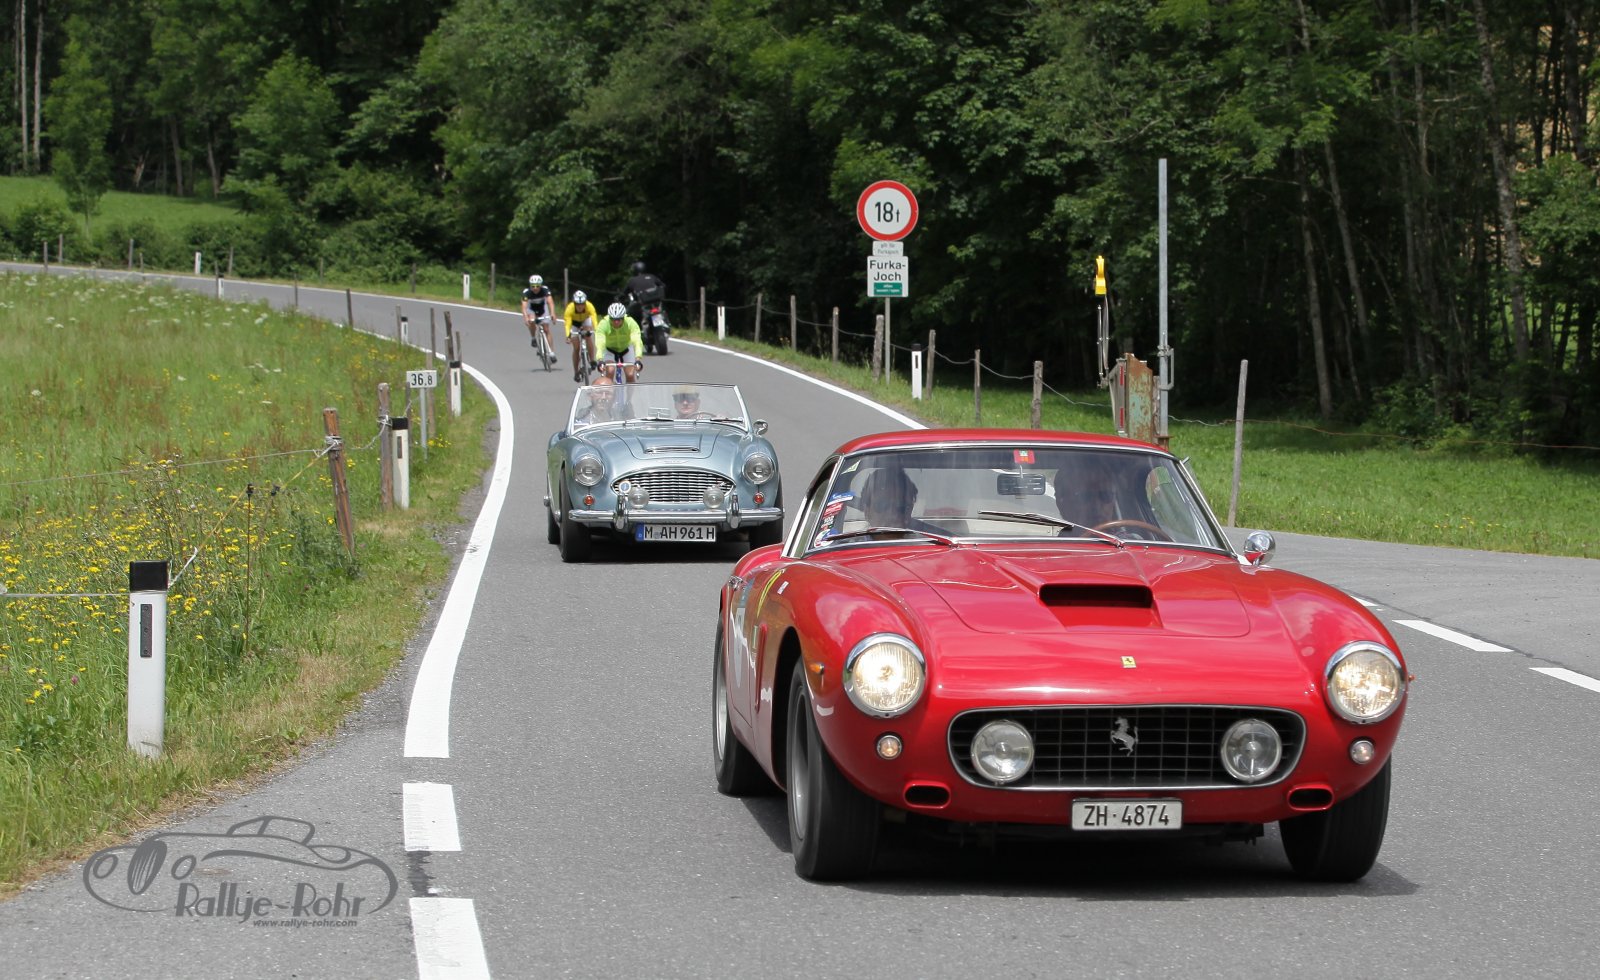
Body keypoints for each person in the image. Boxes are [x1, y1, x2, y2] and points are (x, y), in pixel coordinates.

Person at [860, 467, 939, 533]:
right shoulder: (855, 544)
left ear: (909, 512)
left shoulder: (929, 543)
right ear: (867, 512)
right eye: (882, 506)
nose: (892, 515)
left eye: (901, 508)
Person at [593, 302, 644, 383]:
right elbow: (600, 343)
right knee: (610, 371)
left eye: (619, 319)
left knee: (630, 374)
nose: (616, 322)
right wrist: (600, 360)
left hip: (626, 348)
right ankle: (610, 390)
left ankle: (630, 392)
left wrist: (638, 359)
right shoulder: (604, 323)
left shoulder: (630, 322)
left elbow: (637, 341)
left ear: (623, 318)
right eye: (613, 319)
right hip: (609, 349)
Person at [563, 289, 600, 382]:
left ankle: (592, 360)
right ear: (574, 303)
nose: (580, 306)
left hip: (585, 320)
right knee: (576, 348)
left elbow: (594, 318)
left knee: (588, 336)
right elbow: (567, 324)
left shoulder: (589, 306)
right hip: (574, 323)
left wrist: (597, 330)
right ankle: (576, 371)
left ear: (585, 302)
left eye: (582, 304)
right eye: (577, 304)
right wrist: (568, 335)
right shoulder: (570, 308)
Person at [522, 274, 558, 355]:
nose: (535, 288)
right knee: (532, 321)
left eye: (537, 286)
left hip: (542, 308)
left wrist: (553, 313)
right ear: (530, 286)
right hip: (531, 309)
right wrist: (526, 317)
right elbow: (524, 307)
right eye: (533, 286)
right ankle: (533, 337)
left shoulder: (545, 290)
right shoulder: (526, 292)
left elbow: (550, 302)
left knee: (546, 329)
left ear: (540, 285)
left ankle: (551, 352)